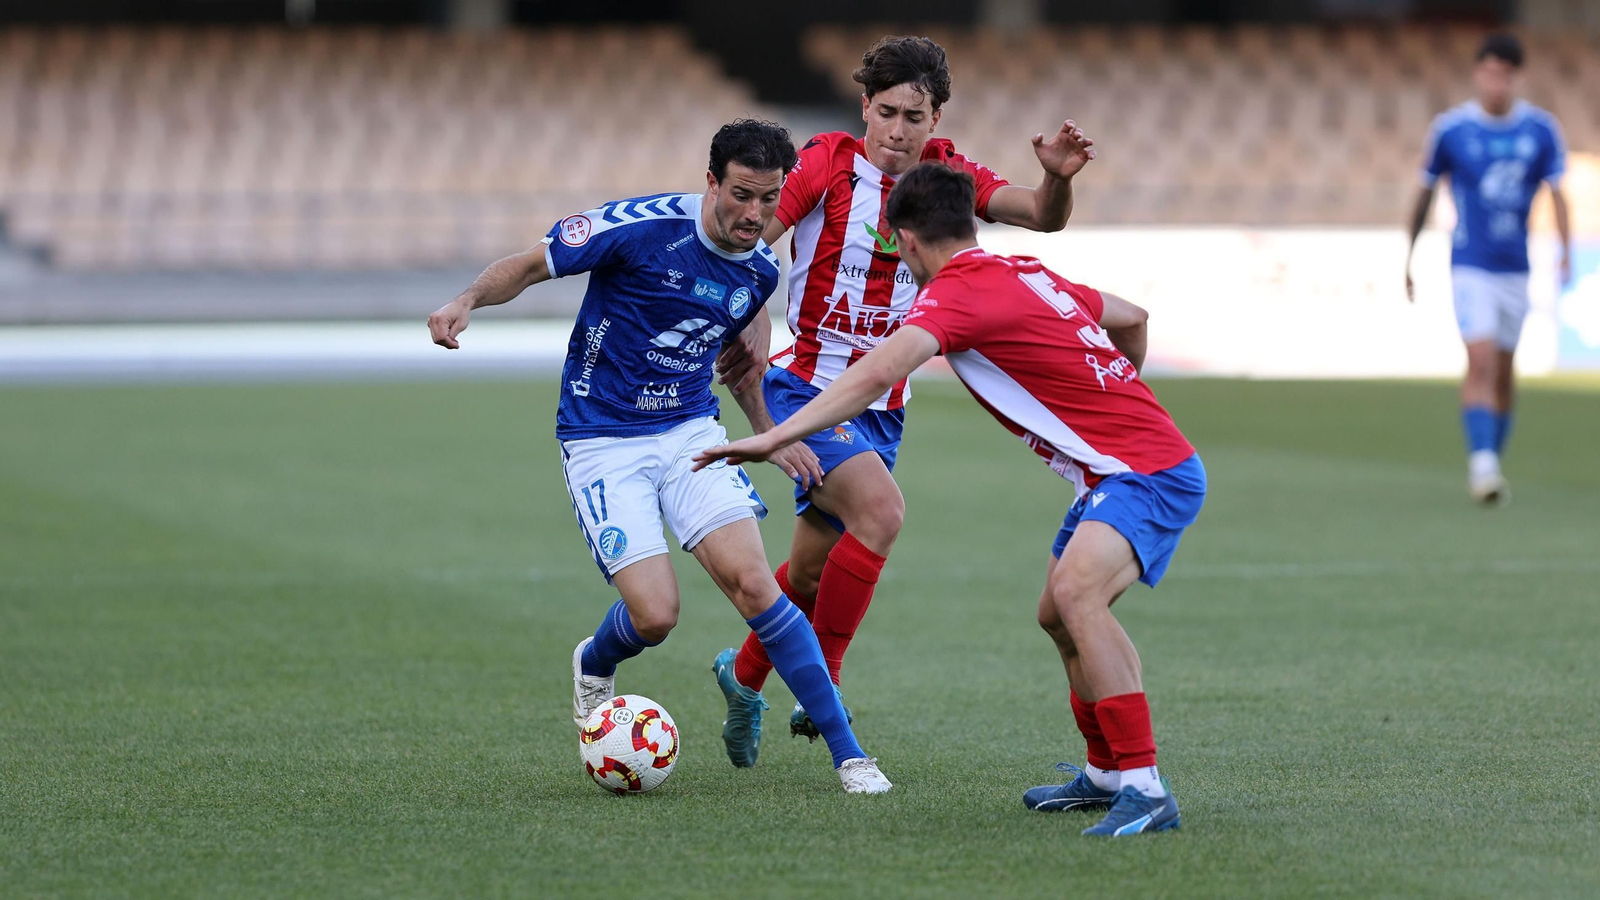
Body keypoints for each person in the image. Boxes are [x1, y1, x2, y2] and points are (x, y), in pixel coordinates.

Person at [695, 163, 1204, 835]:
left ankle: (1144, 783)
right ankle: (1107, 773)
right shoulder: (1025, 270)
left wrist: (774, 438)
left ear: (905, 241)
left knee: (1079, 596)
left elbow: (879, 369)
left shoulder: (955, 295)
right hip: (1123, 469)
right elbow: (1131, 318)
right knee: (1058, 612)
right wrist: (1118, 400)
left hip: (1146, 473)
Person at [426, 119, 889, 793]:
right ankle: (595, 658)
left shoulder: (761, 271)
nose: (756, 214)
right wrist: (465, 299)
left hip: (688, 431)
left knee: (756, 586)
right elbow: (530, 265)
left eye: (770, 199)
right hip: (601, 436)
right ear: (711, 183)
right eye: (741, 195)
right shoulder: (640, 227)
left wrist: (771, 433)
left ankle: (851, 756)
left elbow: (738, 367)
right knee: (656, 616)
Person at [708, 35, 1096, 765]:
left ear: (935, 116)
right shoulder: (825, 161)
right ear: (864, 106)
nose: (896, 130)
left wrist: (1058, 180)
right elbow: (756, 241)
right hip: (809, 389)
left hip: (884, 407)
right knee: (883, 513)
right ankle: (825, 682)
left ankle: (745, 673)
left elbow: (1040, 214)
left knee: (815, 572)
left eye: (912, 116)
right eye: (884, 112)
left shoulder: (947, 175)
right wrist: (755, 315)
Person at [1404, 32, 1571, 505]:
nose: (1496, 82)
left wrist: (1564, 251)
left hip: (1516, 267)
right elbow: (1425, 191)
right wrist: (1409, 256)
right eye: (1488, 72)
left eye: (1505, 73)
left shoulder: (1540, 131)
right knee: (1479, 360)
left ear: (1517, 77)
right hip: (1470, 264)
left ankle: (1490, 459)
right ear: (1478, 74)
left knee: (1503, 370)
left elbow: (1558, 193)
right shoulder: (1452, 130)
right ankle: (1482, 465)